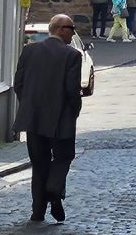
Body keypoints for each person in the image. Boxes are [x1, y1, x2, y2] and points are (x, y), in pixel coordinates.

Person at [12, 13, 84, 223]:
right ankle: (54, 189)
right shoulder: (71, 55)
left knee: (40, 165)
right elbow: (72, 91)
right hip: (60, 118)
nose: (73, 34)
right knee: (64, 156)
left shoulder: (29, 51)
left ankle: (38, 211)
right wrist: (74, 111)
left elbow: (19, 84)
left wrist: (29, 105)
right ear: (60, 29)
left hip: (33, 118)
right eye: (71, 29)